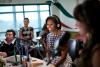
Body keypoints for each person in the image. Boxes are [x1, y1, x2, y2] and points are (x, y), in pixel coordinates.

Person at [73, 0, 100, 67]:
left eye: (78, 20)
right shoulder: (91, 39)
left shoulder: (98, 50)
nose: (76, 25)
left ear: (89, 21)